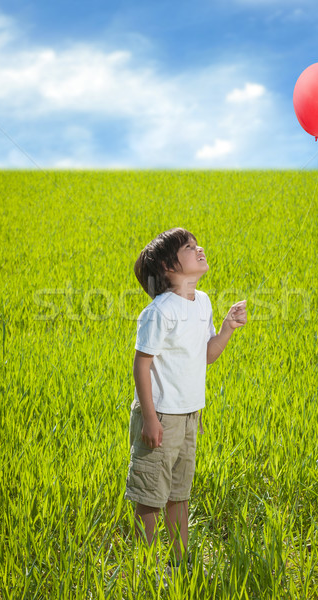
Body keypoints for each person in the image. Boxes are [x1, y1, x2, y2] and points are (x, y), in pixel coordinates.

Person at [124, 227, 247, 575]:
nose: (200, 249)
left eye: (197, 244)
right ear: (168, 266)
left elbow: (205, 356)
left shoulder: (203, 301)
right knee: (149, 495)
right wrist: (149, 419)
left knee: (180, 493)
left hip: (190, 415)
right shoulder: (159, 311)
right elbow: (141, 365)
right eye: (190, 247)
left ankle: (179, 562)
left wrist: (226, 329)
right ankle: (144, 566)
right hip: (161, 415)